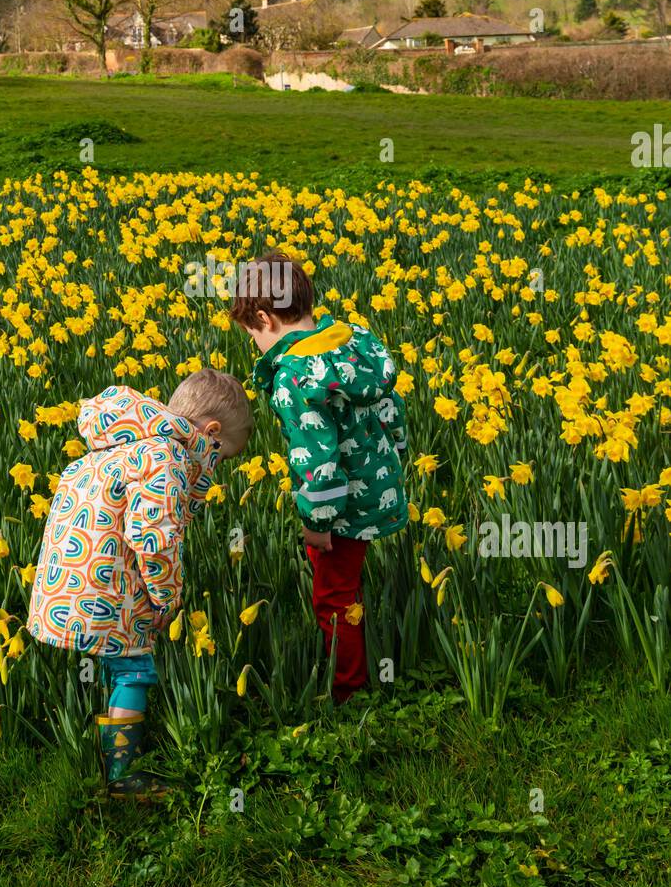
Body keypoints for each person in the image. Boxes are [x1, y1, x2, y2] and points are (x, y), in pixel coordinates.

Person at [27, 372, 253, 797]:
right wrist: (167, 596)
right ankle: (122, 775)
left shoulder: (118, 445)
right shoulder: (165, 457)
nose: (216, 469)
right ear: (211, 433)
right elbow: (154, 536)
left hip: (68, 585)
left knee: (115, 663)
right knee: (136, 671)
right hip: (109, 592)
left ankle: (102, 748)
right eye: (221, 457)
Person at [230, 252, 408, 703]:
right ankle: (358, 669)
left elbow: (318, 460)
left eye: (251, 333)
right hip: (379, 484)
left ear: (265, 319)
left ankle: (348, 692)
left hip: (342, 506)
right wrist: (395, 459)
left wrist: (318, 523)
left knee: (333, 597)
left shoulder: (295, 377)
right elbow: (391, 408)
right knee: (347, 585)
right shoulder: (352, 341)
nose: (254, 342)